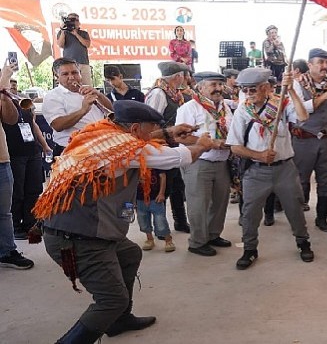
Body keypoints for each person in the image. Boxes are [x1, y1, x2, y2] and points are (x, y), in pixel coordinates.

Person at [34, 100, 216, 342]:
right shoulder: (125, 147)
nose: (152, 134)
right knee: (111, 300)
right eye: (150, 128)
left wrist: (169, 132)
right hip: (76, 237)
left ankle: (119, 320)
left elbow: (146, 140)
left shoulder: (102, 131)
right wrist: (202, 146)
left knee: (129, 254)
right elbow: (177, 157)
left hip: (73, 228)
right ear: (133, 129)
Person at [226, 68, 313, 270]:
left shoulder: (281, 103)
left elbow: (303, 117)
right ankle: (249, 250)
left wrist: (290, 90)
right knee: (250, 214)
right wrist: (259, 155)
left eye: (252, 90)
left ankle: (303, 242)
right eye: (244, 90)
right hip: (255, 172)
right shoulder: (243, 110)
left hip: (285, 169)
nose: (248, 94)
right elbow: (235, 147)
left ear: (265, 88)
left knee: (295, 209)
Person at [176, 72, 233, 257]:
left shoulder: (225, 107)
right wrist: (210, 142)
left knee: (220, 202)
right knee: (199, 204)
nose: (218, 88)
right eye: (213, 85)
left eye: (220, 85)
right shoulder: (189, 108)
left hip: (222, 161)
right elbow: (181, 137)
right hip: (198, 162)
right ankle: (197, 242)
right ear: (200, 88)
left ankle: (213, 235)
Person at [291, 48, 327, 232]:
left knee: (324, 181)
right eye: (320, 62)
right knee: (301, 180)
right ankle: (297, 218)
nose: (324, 66)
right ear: (310, 65)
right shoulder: (298, 84)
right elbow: (303, 111)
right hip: (305, 139)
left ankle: (322, 218)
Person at [146, 61, 191, 234]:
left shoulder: (174, 94)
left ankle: (180, 221)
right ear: (177, 77)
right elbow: (151, 120)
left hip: (174, 143)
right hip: (162, 144)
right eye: (183, 76)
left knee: (177, 185)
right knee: (162, 187)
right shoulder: (158, 93)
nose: (185, 79)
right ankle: (160, 227)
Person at [3, 78, 51, 240]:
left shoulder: (23, 101)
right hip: (15, 153)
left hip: (33, 151)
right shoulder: (4, 103)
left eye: (15, 86)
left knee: (35, 189)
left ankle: (31, 223)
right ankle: (16, 227)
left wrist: (44, 146)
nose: (13, 88)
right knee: (17, 192)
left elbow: (33, 125)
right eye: (10, 86)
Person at [0, 60, 34, 270]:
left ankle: (6, 250)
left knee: (4, 212)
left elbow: (11, 120)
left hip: (2, 160)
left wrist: (4, 97)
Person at [42, 57, 114, 157]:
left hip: (99, 147)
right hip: (71, 150)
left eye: (74, 73)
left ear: (80, 73)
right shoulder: (52, 96)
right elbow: (57, 125)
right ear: (56, 77)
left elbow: (111, 111)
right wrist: (83, 110)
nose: (71, 77)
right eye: (65, 74)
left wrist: (99, 95)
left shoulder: (88, 90)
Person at [137, 169, 175, 252]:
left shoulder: (155, 162)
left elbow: (163, 177)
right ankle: (149, 239)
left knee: (160, 220)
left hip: (155, 198)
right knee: (143, 220)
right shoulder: (134, 163)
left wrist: (161, 193)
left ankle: (168, 240)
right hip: (140, 198)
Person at [56, 13, 92, 86]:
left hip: (83, 63)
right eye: (72, 19)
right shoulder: (63, 33)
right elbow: (60, 45)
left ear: (79, 22)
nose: (74, 21)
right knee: (70, 85)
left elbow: (87, 44)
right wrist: (63, 30)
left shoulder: (83, 33)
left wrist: (76, 34)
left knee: (86, 85)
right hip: (68, 65)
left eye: (76, 20)